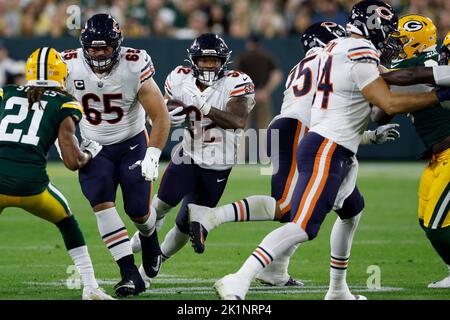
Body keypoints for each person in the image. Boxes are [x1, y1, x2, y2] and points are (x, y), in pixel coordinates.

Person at [213, 0, 450, 300]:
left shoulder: (337, 48)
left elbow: (382, 91)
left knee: (352, 211)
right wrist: (438, 95)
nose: (389, 38)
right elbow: (387, 103)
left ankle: (338, 290)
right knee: (302, 226)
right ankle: (239, 278)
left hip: (337, 147)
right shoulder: (360, 50)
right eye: (387, 29)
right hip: (328, 147)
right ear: (372, 24)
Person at [187, 22, 400, 287]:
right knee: (292, 209)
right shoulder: (332, 59)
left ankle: (277, 270)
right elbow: (329, 115)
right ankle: (212, 218)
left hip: (289, 128)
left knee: (329, 208)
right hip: (302, 129)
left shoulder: (304, 64)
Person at [61, 13, 170, 297]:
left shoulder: (134, 64)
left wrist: (153, 154)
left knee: (139, 212)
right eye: (93, 48)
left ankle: (149, 235)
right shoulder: (68, 64)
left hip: (132, 142)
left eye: (105, 48)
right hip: (94, 146)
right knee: (101, 203)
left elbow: (160, 116)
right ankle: (129, 273)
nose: (99, 54)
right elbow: (56, 111)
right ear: (84, 46)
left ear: (117, 45)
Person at [130, 33, 255, 276]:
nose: (209, 66)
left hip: (218, 164)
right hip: (188, 153)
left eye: (214, 61)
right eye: (203, 60)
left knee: (184, 226)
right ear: (193, 60)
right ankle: (142, 241)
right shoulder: (179, 79)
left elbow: (238, 120)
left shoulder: (236, 82)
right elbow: (159, 111)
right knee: (160, 204)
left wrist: (204, 106)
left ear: (223, 62)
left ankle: (149, 271)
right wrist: (164, 116)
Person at [0, 47, 113, 300]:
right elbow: (73, 163)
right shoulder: (64, 104)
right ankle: (90, 286)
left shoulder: (4, 93)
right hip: (31, 187)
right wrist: (90, 153)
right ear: (61, 74)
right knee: (67, 222)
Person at [376, 15, 450, 288]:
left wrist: (375, 73)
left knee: (437, 225)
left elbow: (409, 77)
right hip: (437, 157)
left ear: (418, 42)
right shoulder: (406, 68)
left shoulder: (426, 65)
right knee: (425, 220)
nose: (395, 46)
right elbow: (381, 113)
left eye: (401, 41)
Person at [234, 34, 283, 130]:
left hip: (246, 97)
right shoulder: (267, 57)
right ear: (260, 44)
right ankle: (266, 146)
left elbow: (237, 77)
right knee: (265, 128)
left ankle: (242, 146)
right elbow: (277, 75)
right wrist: (266, 91)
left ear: (248, 44)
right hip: (263, 96)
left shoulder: (243, 57)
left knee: (242, 129)